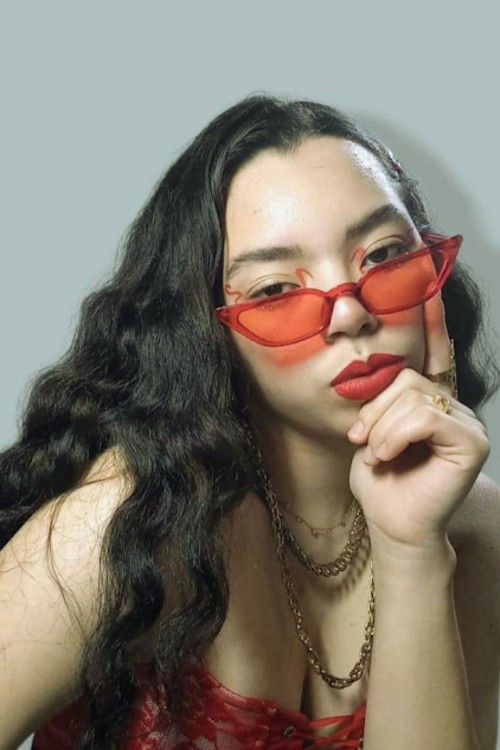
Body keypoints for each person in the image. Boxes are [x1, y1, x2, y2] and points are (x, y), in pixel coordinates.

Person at [1, 95, 499, 750]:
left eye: (381, 256)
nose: (351, 314)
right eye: (275, 290)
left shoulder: (477, 528)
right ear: (206, 331)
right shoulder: (130, 522)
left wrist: (412, 549)